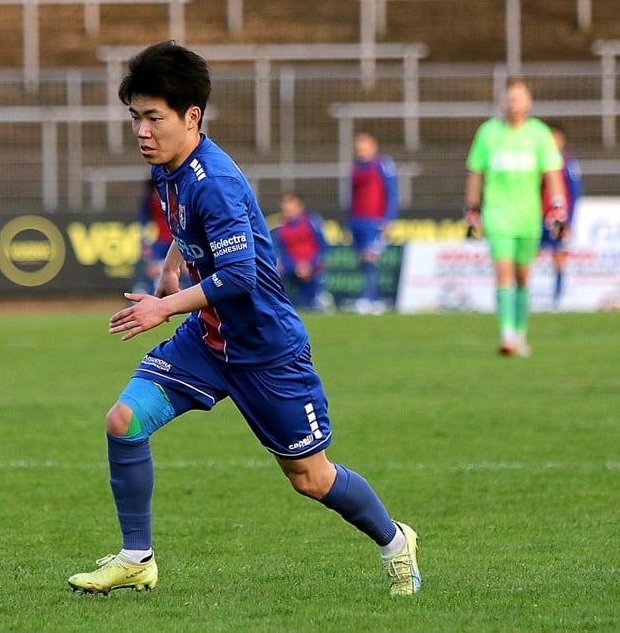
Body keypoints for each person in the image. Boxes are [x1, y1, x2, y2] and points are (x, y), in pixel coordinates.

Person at [67, 40, 421, 599]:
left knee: (310, 478)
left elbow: (239, 278)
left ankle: (396, 541)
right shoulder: (168, 168)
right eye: (135, 117)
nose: (141, 130)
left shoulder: (218, 184)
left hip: (266, 352)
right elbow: (190, 231)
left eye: (153, 117)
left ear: (192, 117)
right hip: (209, 344)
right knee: (123, 421)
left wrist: (163, 306)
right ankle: (137, 558)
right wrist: (169, 272)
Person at [465, 77, 566, 356]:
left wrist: (558, 208)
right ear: (502, 101)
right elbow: (476, 172)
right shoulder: (488, 133)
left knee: (523, 276)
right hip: (497, 215)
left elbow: (552, 174)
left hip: (527, 216)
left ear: (528, 102)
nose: (513, 103)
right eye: (509, 98)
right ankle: (507, 335)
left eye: (518, 98)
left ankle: (520, 333)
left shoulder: (539, 134)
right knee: (503, 273)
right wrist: (472, 209)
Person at [348, 132, 398, 315]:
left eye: (364, 146)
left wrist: (389, 219)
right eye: (358, 147)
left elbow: (391, 193)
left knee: (371, 259)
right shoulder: (355, 168)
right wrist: (349, 221)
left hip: (375, 220)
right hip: (357, 221)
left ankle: (369, 298)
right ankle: (372, 298)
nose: (360, 150)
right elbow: (352, 197)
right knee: (363, 261)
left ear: (373, 146)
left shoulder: (383, 165)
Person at [540, 122, 582, 310]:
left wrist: (568, 220)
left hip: (559, 218)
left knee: (559, 256)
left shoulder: (568, 163)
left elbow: (574, 193)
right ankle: (525, 295)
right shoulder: (539, 163)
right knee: (527, 256)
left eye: (556, 138)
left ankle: (558, 298)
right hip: (538, 216)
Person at [271, 193, 329, 311]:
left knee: (314, 305)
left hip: (313, 270)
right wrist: (295, 267)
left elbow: (323, 247)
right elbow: (282, 253)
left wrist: (310, 266)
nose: (288, 211)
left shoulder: (312, 221)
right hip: (293, 272)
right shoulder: (281, 229)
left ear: (299, 207)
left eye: (291, 207)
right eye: (285, 208)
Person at [133, 180, 178, 296]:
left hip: (175, 240)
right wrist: (144, 244)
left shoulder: (172, 197)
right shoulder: (147, 201)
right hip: (158, 241)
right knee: (151, 270)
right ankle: (149, 294)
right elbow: (144, 223)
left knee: (183, 269)